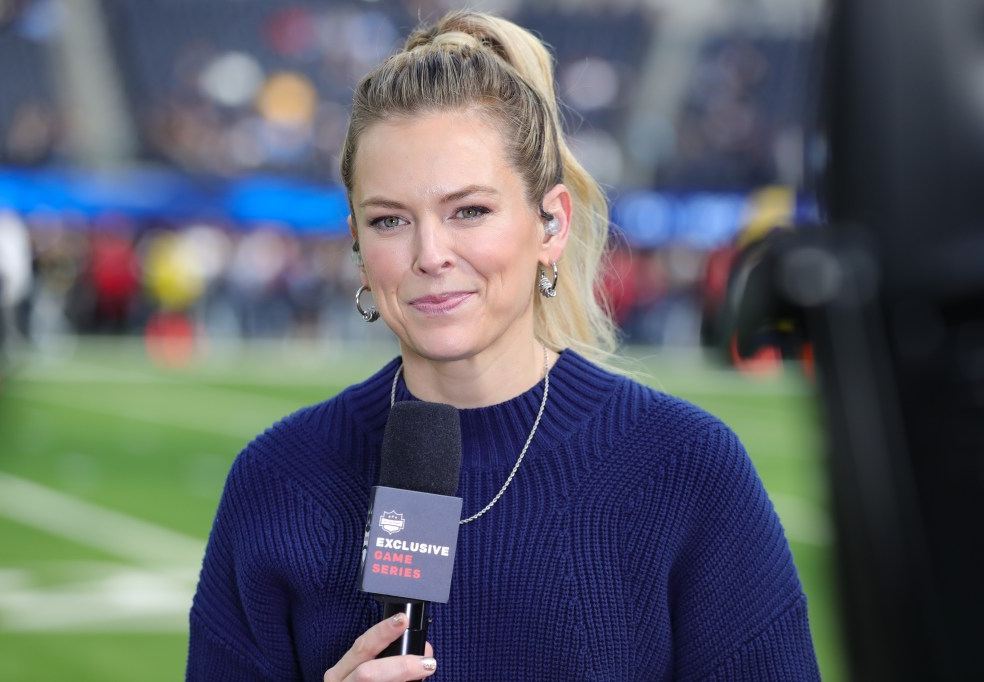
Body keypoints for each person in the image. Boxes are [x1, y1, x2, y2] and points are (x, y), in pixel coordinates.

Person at [187, 10, 820, 681]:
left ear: (551, 224)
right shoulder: (277, 481)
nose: (430, 254)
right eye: (390, 220)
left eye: (469, 211)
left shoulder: (688, 471)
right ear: (356, 243)